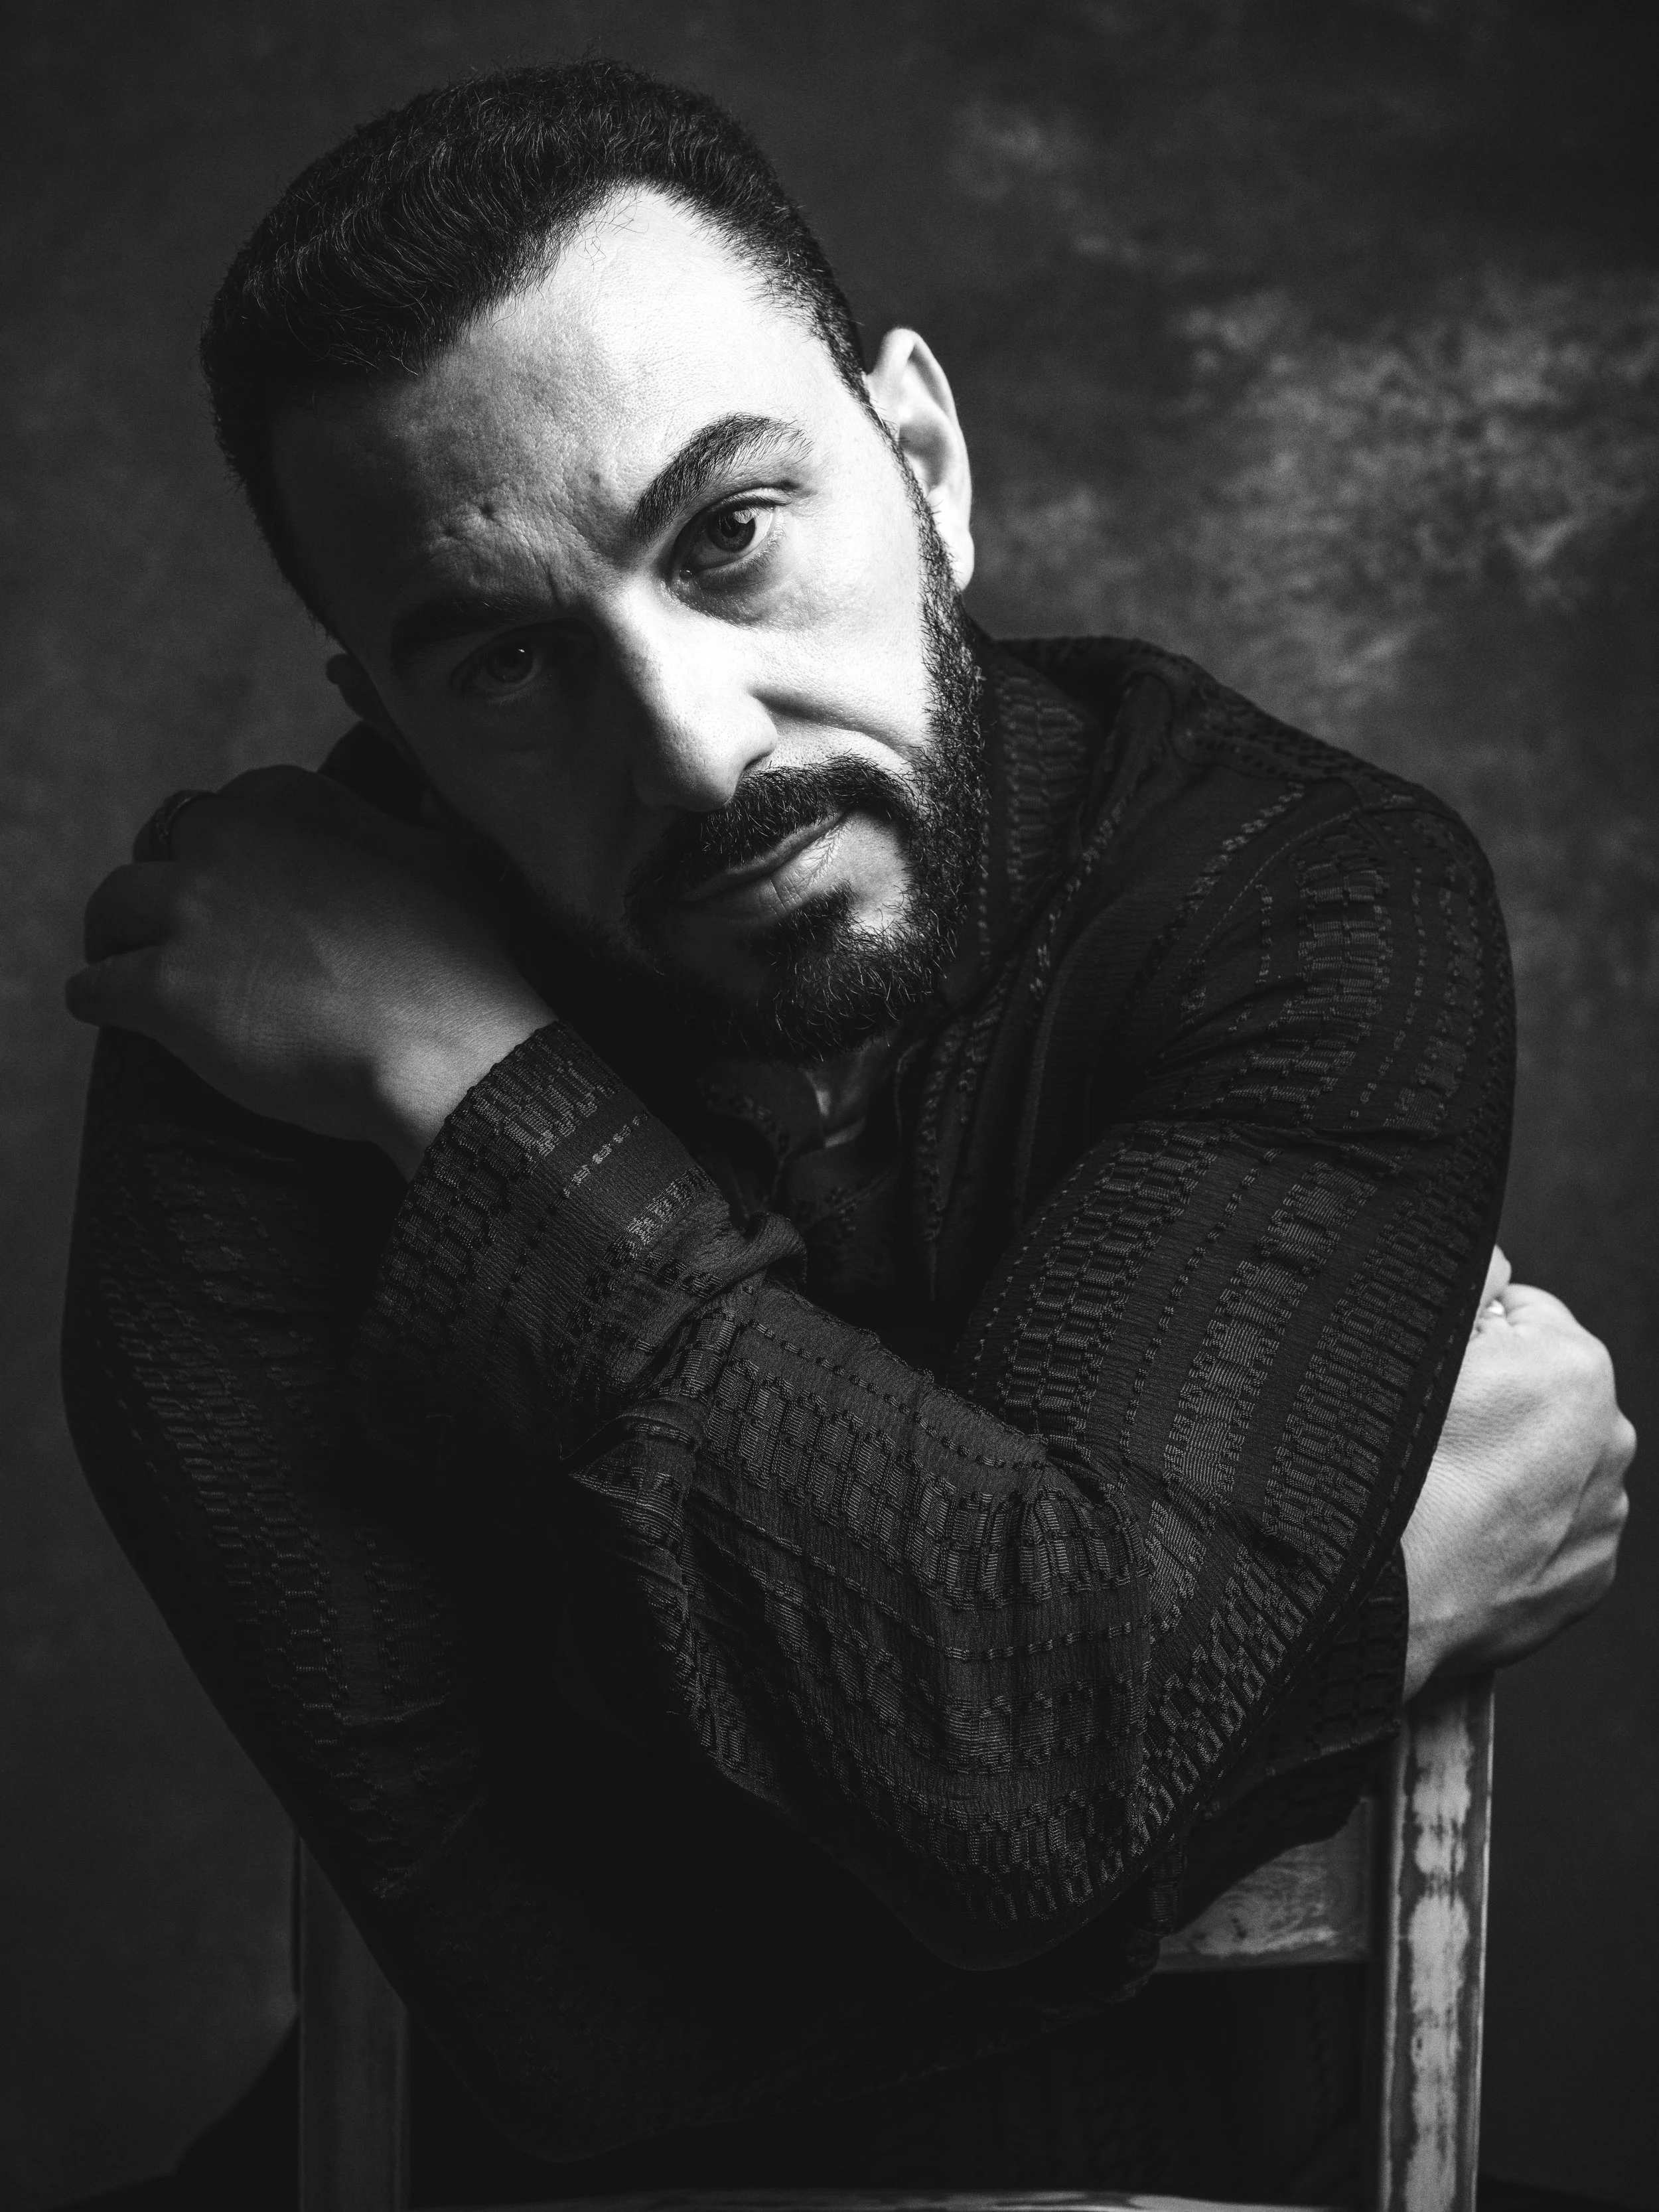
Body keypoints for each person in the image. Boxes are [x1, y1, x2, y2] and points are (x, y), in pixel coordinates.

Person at [60, 58, 1632, 2205]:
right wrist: (1355, 1638)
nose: (695, 750)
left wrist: (471, 1094)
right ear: (391, 720)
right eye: (505, 663)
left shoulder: (1298, 903)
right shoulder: (247, 1049)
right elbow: (565, 2017)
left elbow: (1025, 1763)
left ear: (922, 461)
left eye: (726, 535)